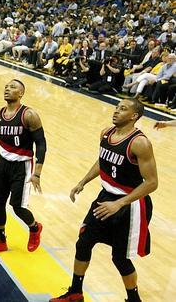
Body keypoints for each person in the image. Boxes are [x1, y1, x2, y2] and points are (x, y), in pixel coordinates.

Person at [50, 98, 158, 302]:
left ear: (134, 116)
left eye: (123, 109)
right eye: (117, 107)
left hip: (130, 204)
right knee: (83, 243)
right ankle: (75, 292)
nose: (116, 111)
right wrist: (83, 181)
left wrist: (120, 203)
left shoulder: (140, 143)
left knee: (120, 258)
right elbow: (103, 160)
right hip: (105, 197)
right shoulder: (106, 133)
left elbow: (152, 183)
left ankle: (134, 300)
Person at [0, 79, 46, 255]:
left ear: (21, 93)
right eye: (6, 87)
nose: (8, 89)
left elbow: (41, 144)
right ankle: (1, 240)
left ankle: (34, 228)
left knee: (18, 207)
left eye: (13, 87)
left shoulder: (29, 115)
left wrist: (37, 172)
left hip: (22, 165)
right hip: (2, 163)